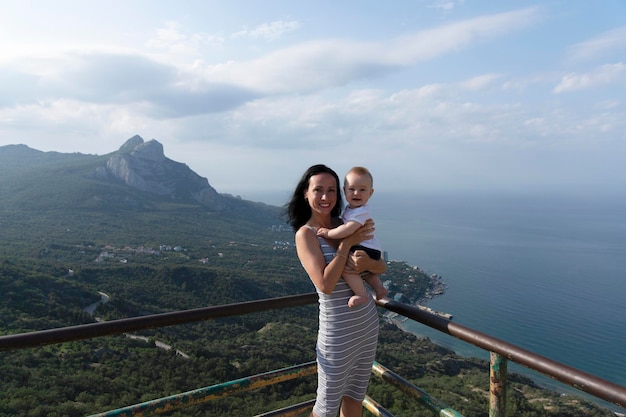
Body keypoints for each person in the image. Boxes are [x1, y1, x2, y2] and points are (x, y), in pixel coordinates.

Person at [285, 164, 386, 417]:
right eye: (318, 190)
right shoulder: (306, 234)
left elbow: (381, 265)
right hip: (338, 334)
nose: (325, 197)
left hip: (366, 324)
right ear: (306, 194)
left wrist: (366, 263)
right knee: (326, 407)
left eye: (331, 190)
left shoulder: (347, 222)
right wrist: (347, 245)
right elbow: (326, 285)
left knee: (354, 397)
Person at [316, 166, 388, 307]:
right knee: (364, 272)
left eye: (362, 190)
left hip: (364, 247)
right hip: (366, 247)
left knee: (347, 269)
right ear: (344, 190)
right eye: (352, 189)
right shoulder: (352, 210)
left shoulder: (360, 212)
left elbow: (348, 229)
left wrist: (328, 233)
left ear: (370, 193)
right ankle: (379, 288)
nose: (356, 193)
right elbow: (326, 286)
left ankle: (360, 294)